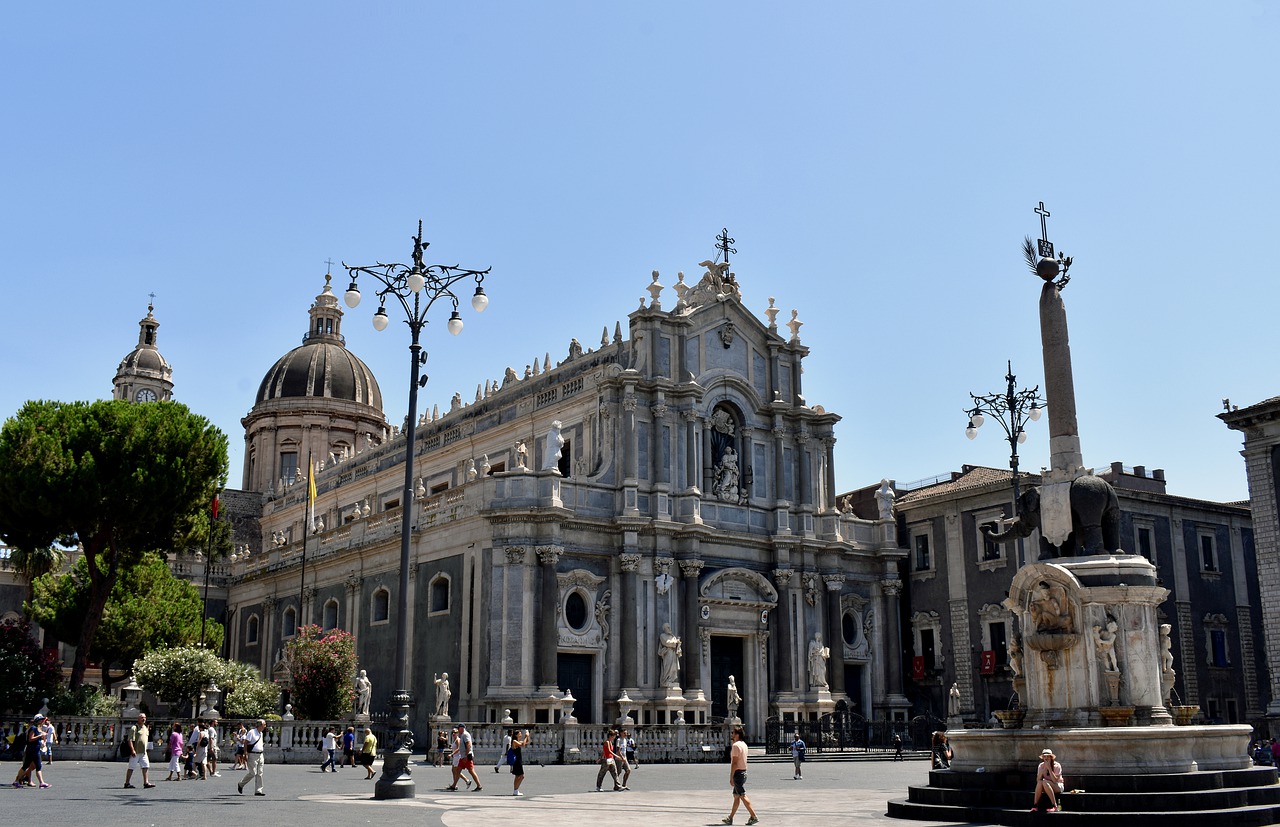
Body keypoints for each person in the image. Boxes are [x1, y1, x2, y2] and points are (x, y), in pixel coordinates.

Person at [721, 725, 758, 825]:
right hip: (744, 771)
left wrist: (731, 776)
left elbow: (734, 762)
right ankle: (730, 817)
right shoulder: (743, 744)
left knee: (742, 795)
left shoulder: (736, 746)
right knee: (736, 796)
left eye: (733, 733)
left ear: (737, 734)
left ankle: (753, 816)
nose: (731, 734)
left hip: (738, 773)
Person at [11, 714, 48, 789]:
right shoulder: (33, 728)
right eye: (41, 720)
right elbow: (30, 739)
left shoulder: (38, 728)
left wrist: (43, 741)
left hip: (36, 750)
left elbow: (38, 739)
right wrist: (40, 736)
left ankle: (41, 782)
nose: (42, 721)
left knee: (38, 766)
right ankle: (17, 780)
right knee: (26, 766)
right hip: (31, 750)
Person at [123, 712, 155, 789]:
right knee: (131, 767)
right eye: (142, 718)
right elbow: (130, 740)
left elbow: (146, 739)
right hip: (136, 751)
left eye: (145, 718)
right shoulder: (134, 728)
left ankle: (146, 782)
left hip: (143, 752)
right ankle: (127, 783)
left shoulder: (145, 728)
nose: (143, 719)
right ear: (138, 719)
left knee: (146, 766)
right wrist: (132, 750)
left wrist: (147, 749)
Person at [237, 718, 267, 796]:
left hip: (260, 754)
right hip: (252, 754)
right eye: (264, 725)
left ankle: (258, 790)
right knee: (253, 773)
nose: (265, 726)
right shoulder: (252, 732)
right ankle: (241, 784)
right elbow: (246, 743)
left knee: (260, 773)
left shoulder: (261, 733)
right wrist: (245, 753)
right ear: (260, 725)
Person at [1032, 747, 1065, 812]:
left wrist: (1049, 769)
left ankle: (1054, 805)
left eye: (1048, 757)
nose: (1046, 758)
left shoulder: (1057, 765)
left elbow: (1055, 780)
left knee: (1044, 782)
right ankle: (1035, 805)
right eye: (1044, 757)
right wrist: (1043, 770)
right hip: (1046, 786)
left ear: (1051, 757)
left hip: (1057, 785)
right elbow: (1038, 780)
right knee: (1041, 782)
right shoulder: (1041, 766)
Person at [510, 728, 529, 796]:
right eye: (520, 733)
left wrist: (527, 736)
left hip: (518, 760)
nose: (521, 734)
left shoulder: (518, 741)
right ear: (516, 735)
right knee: (521, 776)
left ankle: (516, 790)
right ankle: (516, 789)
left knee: (517, 776)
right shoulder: (514, 741)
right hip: (517, 761)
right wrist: (526, 736)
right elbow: (522, 745)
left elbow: (526, 742)